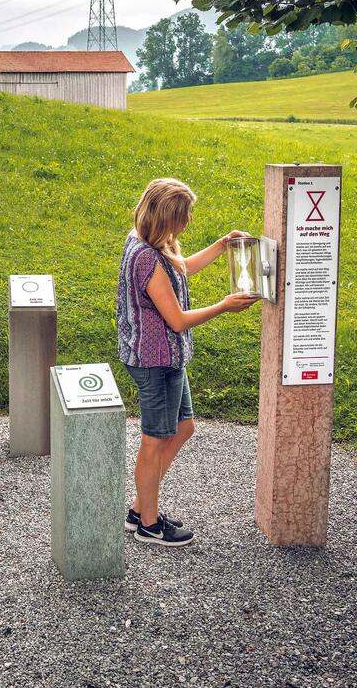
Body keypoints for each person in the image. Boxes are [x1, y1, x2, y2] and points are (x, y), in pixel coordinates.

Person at [116, 178, 259, 546]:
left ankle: (139, 508)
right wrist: (224, 306)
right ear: (166, 217)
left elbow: (184, 268)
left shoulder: (148, 241)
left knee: (184, 427)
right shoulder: (146, 258)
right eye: (185, 215)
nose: (189, 222)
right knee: (155, 440)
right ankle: (149, 524)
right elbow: (177, 320)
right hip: (156, 361)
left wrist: (221, 245)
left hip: (166, 357)